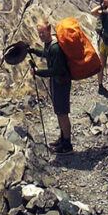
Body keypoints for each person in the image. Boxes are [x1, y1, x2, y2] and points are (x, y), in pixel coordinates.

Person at [29, 20, 73, 154]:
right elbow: (45, 53)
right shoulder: (50, 44)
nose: (41, 35)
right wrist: (32, 50)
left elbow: (57, 70)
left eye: (43, 32)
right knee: (59, 112)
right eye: (39, 33)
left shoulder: (55, 47)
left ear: (49, 31)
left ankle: (67, 145)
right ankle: (62, 139)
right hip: (58, 82)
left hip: (61, 82)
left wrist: (38, 72)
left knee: (62, 113)